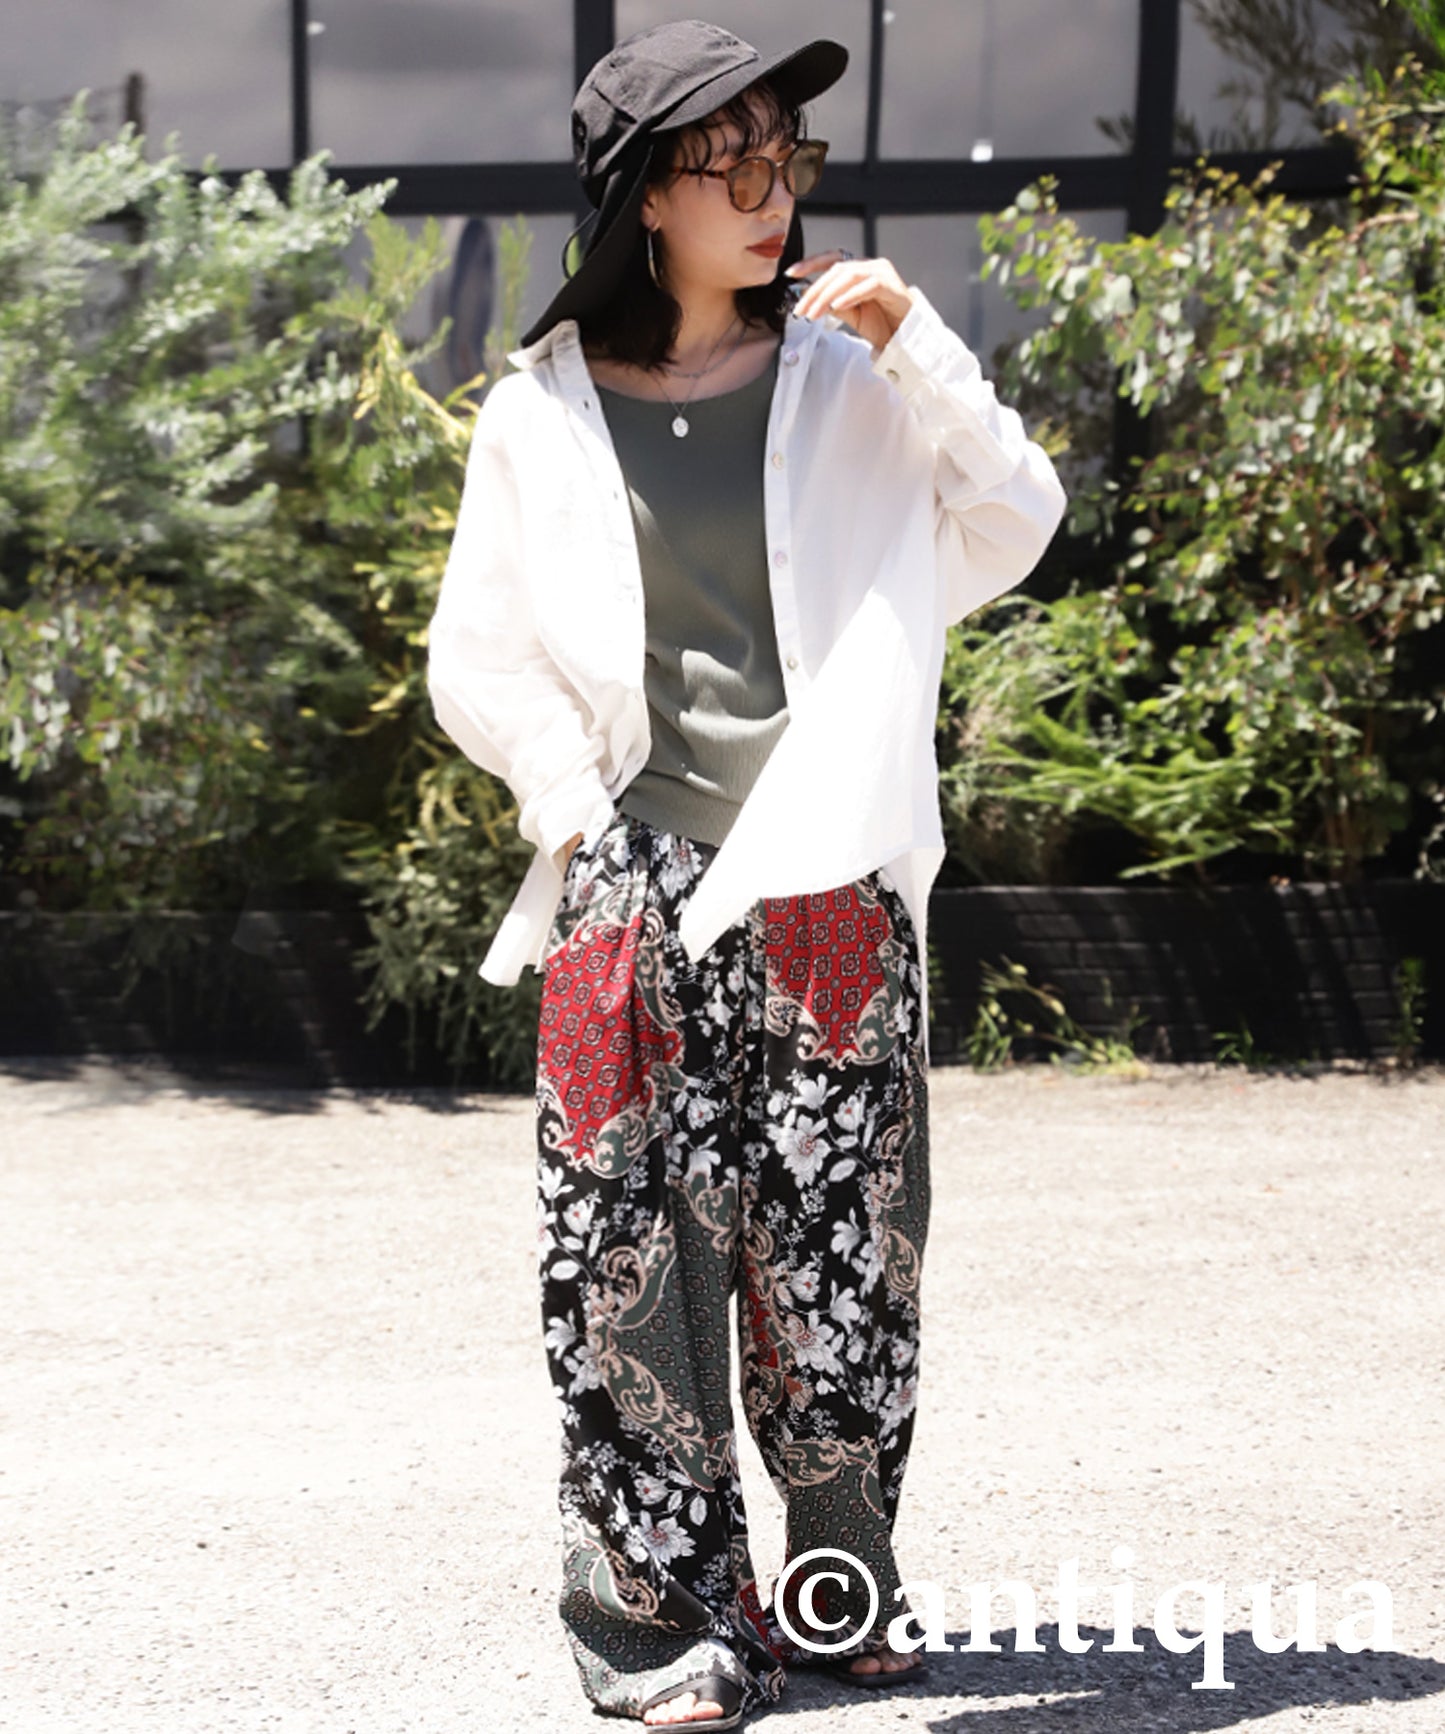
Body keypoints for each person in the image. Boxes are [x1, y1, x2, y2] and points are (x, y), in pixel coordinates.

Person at [426, 19, 1068, 1730]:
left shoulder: (851, 378)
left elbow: (1013, 523)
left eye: (790, 158)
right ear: (649, 196)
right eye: (734, 164)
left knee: (841, 1251)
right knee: (623, 1252)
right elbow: (476, 654)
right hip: (628, 885)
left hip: (828, 883)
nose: (775, 192)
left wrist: (923, 347)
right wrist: (578, 813)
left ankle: (836, 1588)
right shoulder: (539, 412)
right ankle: (654, 1624)